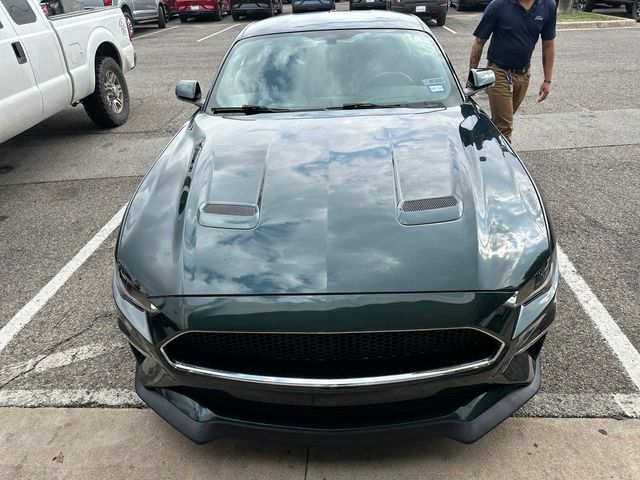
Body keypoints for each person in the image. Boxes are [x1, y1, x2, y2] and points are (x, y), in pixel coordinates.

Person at [468, 0, 557, 143]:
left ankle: (478, 138)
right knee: (505, 127)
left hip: (523, 75)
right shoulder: (498, 5)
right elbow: (479, 42)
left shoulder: (548, 6)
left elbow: (548, 45)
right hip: (498, 72)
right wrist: (472, 77)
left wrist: (547, 80)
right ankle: (502, 163)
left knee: (501, 121)